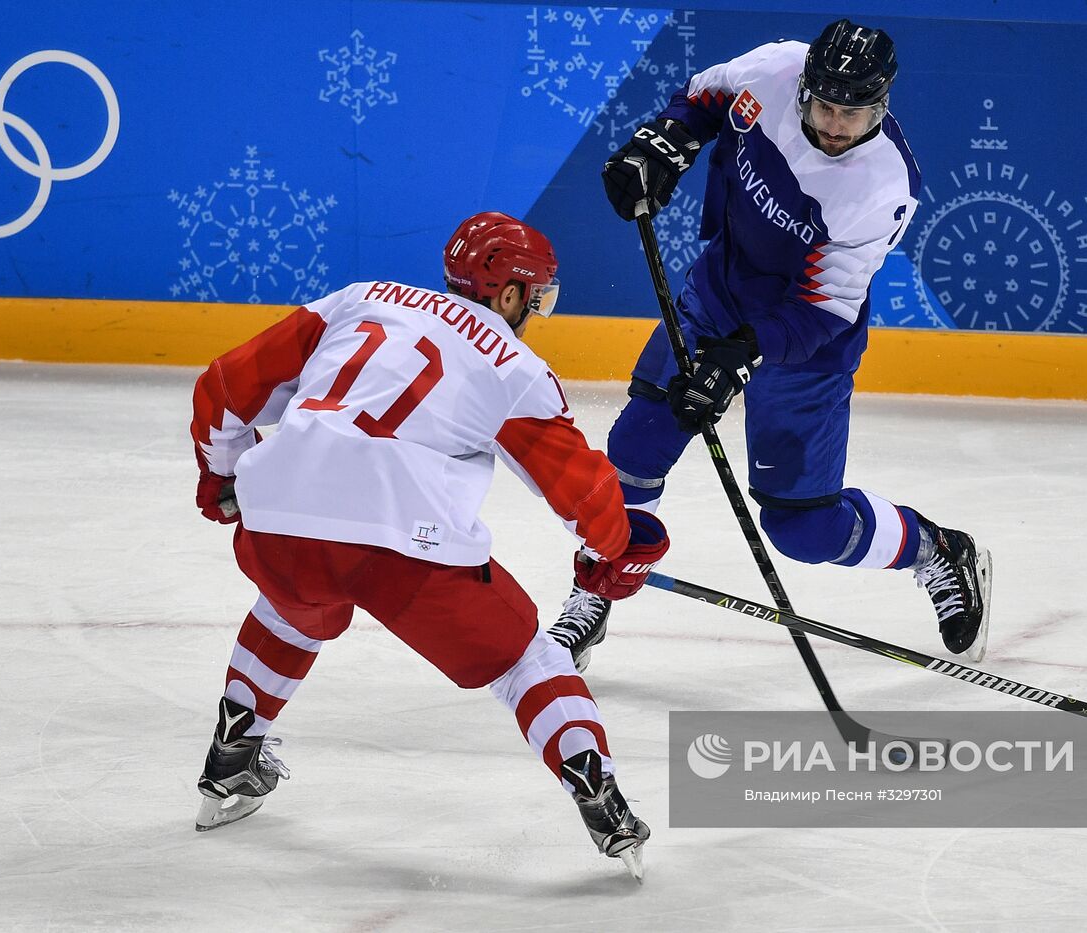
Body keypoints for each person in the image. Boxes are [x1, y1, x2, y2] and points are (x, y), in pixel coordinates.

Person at [189, 211, 668, 880]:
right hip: (402, 546)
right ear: (509, 295)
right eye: (536, 298)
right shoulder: (515, 366)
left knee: (292, 602)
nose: (535, 313)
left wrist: (220, 474)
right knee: (524, 659)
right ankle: (597, 788)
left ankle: (232, 757)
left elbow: (223, 387)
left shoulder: (357, 300)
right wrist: (611, 553)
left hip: (277, 519)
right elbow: (583, 494)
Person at [549, 19, 991, 672]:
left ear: (883, 105)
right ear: (805, 86)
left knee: (803, 531)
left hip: (804, 348)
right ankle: (596, 589)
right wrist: (667, 140)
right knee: (636, 448)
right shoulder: (774, 68)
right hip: (720, 291)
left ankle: (936, 549)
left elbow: (826, 307)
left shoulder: (883, 187)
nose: (837, 125)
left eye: (855, 112)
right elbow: (704, 96)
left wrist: (739, 359)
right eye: (826, 106)